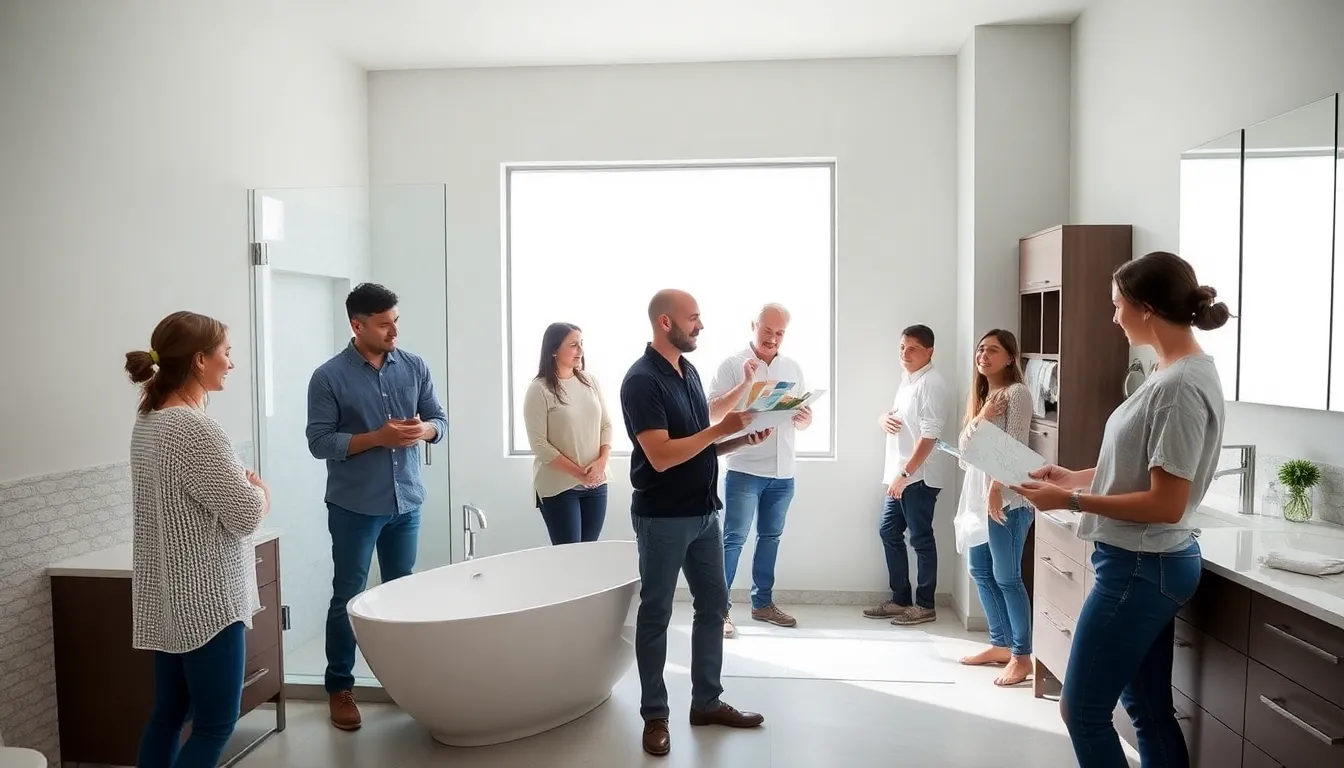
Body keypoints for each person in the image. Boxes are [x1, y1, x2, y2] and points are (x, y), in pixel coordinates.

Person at [1010, 251, 1230, 767]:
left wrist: (1070, 499)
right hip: (1144, 562)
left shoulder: (1178, 386)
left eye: (1117, 306)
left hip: (1140, 565)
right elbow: (1142, 466)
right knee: (1148, 709)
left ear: (1146, 308)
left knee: (1082, 710)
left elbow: (1168, 502)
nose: (1113, 317)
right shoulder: (1171, 371)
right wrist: (1074, 476)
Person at [620, 288, 770, 757]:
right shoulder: (641, 381)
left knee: (713, 607)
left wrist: (735, 441)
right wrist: (719, 432)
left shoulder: (686, 371)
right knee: (657, 614)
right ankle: (655, 716)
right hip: (664, 518)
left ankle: (706, 701)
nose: (701, 324)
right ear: (666, 323)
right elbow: (662, 456)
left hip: (705, 514)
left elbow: (699, 428)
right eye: (694, 318)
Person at [127, 311, 271, 767]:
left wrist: (240, 489)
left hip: (170, 597)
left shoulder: (149, 419)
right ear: (199, 360)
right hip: (208, 603)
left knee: (167, 715)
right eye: (226, 352)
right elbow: (246, 515)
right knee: (214, 724)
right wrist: (261, 492)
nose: (231, 363)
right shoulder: (194, 427)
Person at [305, 283, 448, 731]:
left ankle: (404, 683)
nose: (394, 331)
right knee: (347, 596)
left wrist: (423, 430)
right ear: (357, 324)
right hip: (354, 507)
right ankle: (340, 688)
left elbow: (440, 421)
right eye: (385, 324)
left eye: (396, 322)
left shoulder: (415, 366)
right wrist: (378, 438)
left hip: (406, 501)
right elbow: (319, 442)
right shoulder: (328, 377)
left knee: (402, 593)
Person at [707, 303, 811, 637]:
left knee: (771, 538)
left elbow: (802, 413)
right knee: (733, 539)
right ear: (754, 326)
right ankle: (718, 610)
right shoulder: (732, 364)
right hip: (744, 469)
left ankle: (762, 604)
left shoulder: (792, 367)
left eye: (779, 333)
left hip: (783, 472)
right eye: (767, 330)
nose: (773, 338)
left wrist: (806, 419)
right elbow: (709, 412)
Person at [952, 329, 1036, 686]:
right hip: (980, 495)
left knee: (1007, 577)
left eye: (993, 350)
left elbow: (1014, 446)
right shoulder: (986, 397)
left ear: (1010, 358)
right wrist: (982, 416)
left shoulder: (1017, 394)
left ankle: (1021, 656)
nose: (983, 355)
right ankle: (1000, 644)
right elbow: (963, 450)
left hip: (1009, 499)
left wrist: (996, 489)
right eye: (981, 349)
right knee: (980, 571)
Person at [866, 324, 953, 626]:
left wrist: (905, 473)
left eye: (913, 348)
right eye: (902, 346)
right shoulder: (908, 381)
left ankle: (925, 605)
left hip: (918, 478)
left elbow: (929, 437)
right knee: (888, 532)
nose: (905, 353)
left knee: (921, 540)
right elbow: (894, 413)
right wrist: (882, 418)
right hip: (900, 476)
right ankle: (900, 599)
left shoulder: (932, 384)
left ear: (929, 351)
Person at [523, 322, 613, 544]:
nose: (581, 351)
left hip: (596, 483)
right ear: (554, 350)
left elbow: (606, 425)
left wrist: (601, 462)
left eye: (581, 344)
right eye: (574, 345)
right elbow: (540, 445)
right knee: (568, 558)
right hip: (559, 487)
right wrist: (579, 473)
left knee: (588, 556)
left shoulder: (590, 381)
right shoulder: (540, 389)